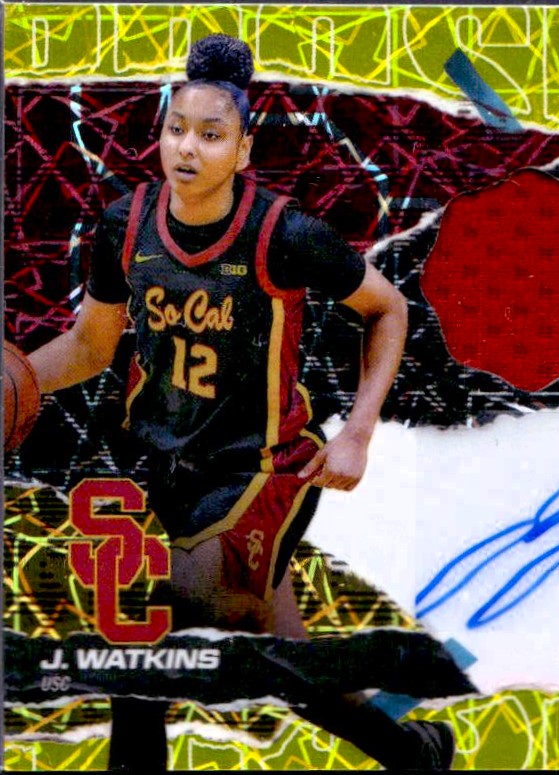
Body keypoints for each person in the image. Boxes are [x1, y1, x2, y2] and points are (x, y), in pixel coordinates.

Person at [26, 34, 455, 770]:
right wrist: (18, 382)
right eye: (176, 129)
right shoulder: (126, 224)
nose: (187, 148)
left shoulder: (285, 233)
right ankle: (411, 752)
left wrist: (357, 432)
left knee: (152, 618)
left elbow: (389, 309)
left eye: (211, 134)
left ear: (243, 150)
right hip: (166, 468)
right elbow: (89, 348)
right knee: (277, 658)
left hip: (262, 468)